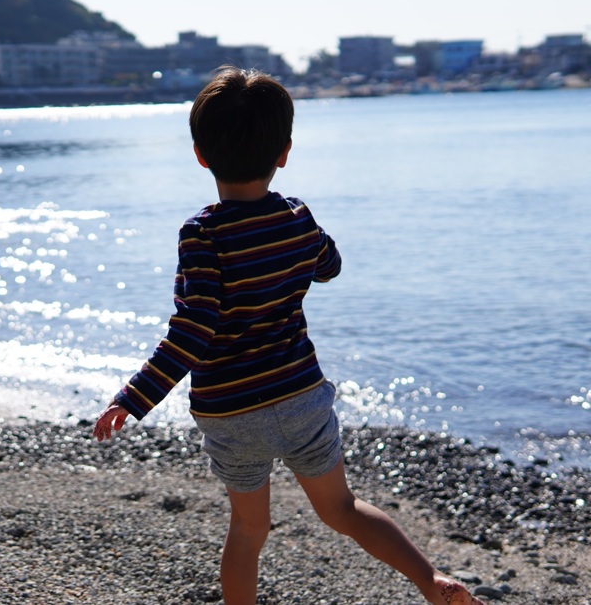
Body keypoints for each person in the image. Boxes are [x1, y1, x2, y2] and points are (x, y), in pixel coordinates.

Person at [93, 67, 486, 605]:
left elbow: (192, 329)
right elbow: (331, 266)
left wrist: (133, 399)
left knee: (250, 530)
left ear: (201, 155)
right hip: (299, 394)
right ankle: (430, 580)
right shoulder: (297, 216)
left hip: (231, 409)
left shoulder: (202, 234)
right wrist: (298, 240)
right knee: (342, 510)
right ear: (284, 152)